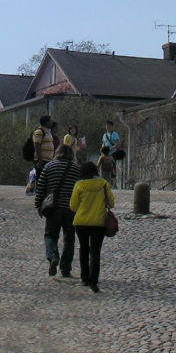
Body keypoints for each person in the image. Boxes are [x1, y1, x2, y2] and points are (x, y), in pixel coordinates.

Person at [33, 143, 78, 279]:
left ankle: (53, 256)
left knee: (51, 235)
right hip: (71, 208)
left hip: (53, 208)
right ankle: (65, 269)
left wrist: (38, 205)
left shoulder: (49, 166)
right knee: (69, 239)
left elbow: (40, 187)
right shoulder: (77, 169)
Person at [69, 160, 115, 293]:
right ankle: (93, 281)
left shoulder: (79, 185)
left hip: (81, 222)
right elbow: (111, 203)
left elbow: (73, 206)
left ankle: (84, 277)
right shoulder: (103, 184)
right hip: (98, 223)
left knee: (84, 249)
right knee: (95, 252)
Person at [32, 115, 57, 181]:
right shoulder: (39, 132)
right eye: (50, 121)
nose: (52, 122)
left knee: (46, 180)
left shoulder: (48, 132)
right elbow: (37, 146)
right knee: (41, 179)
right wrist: (40, 160)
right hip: (42, 160)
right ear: (46, 122)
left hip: (47, 160)